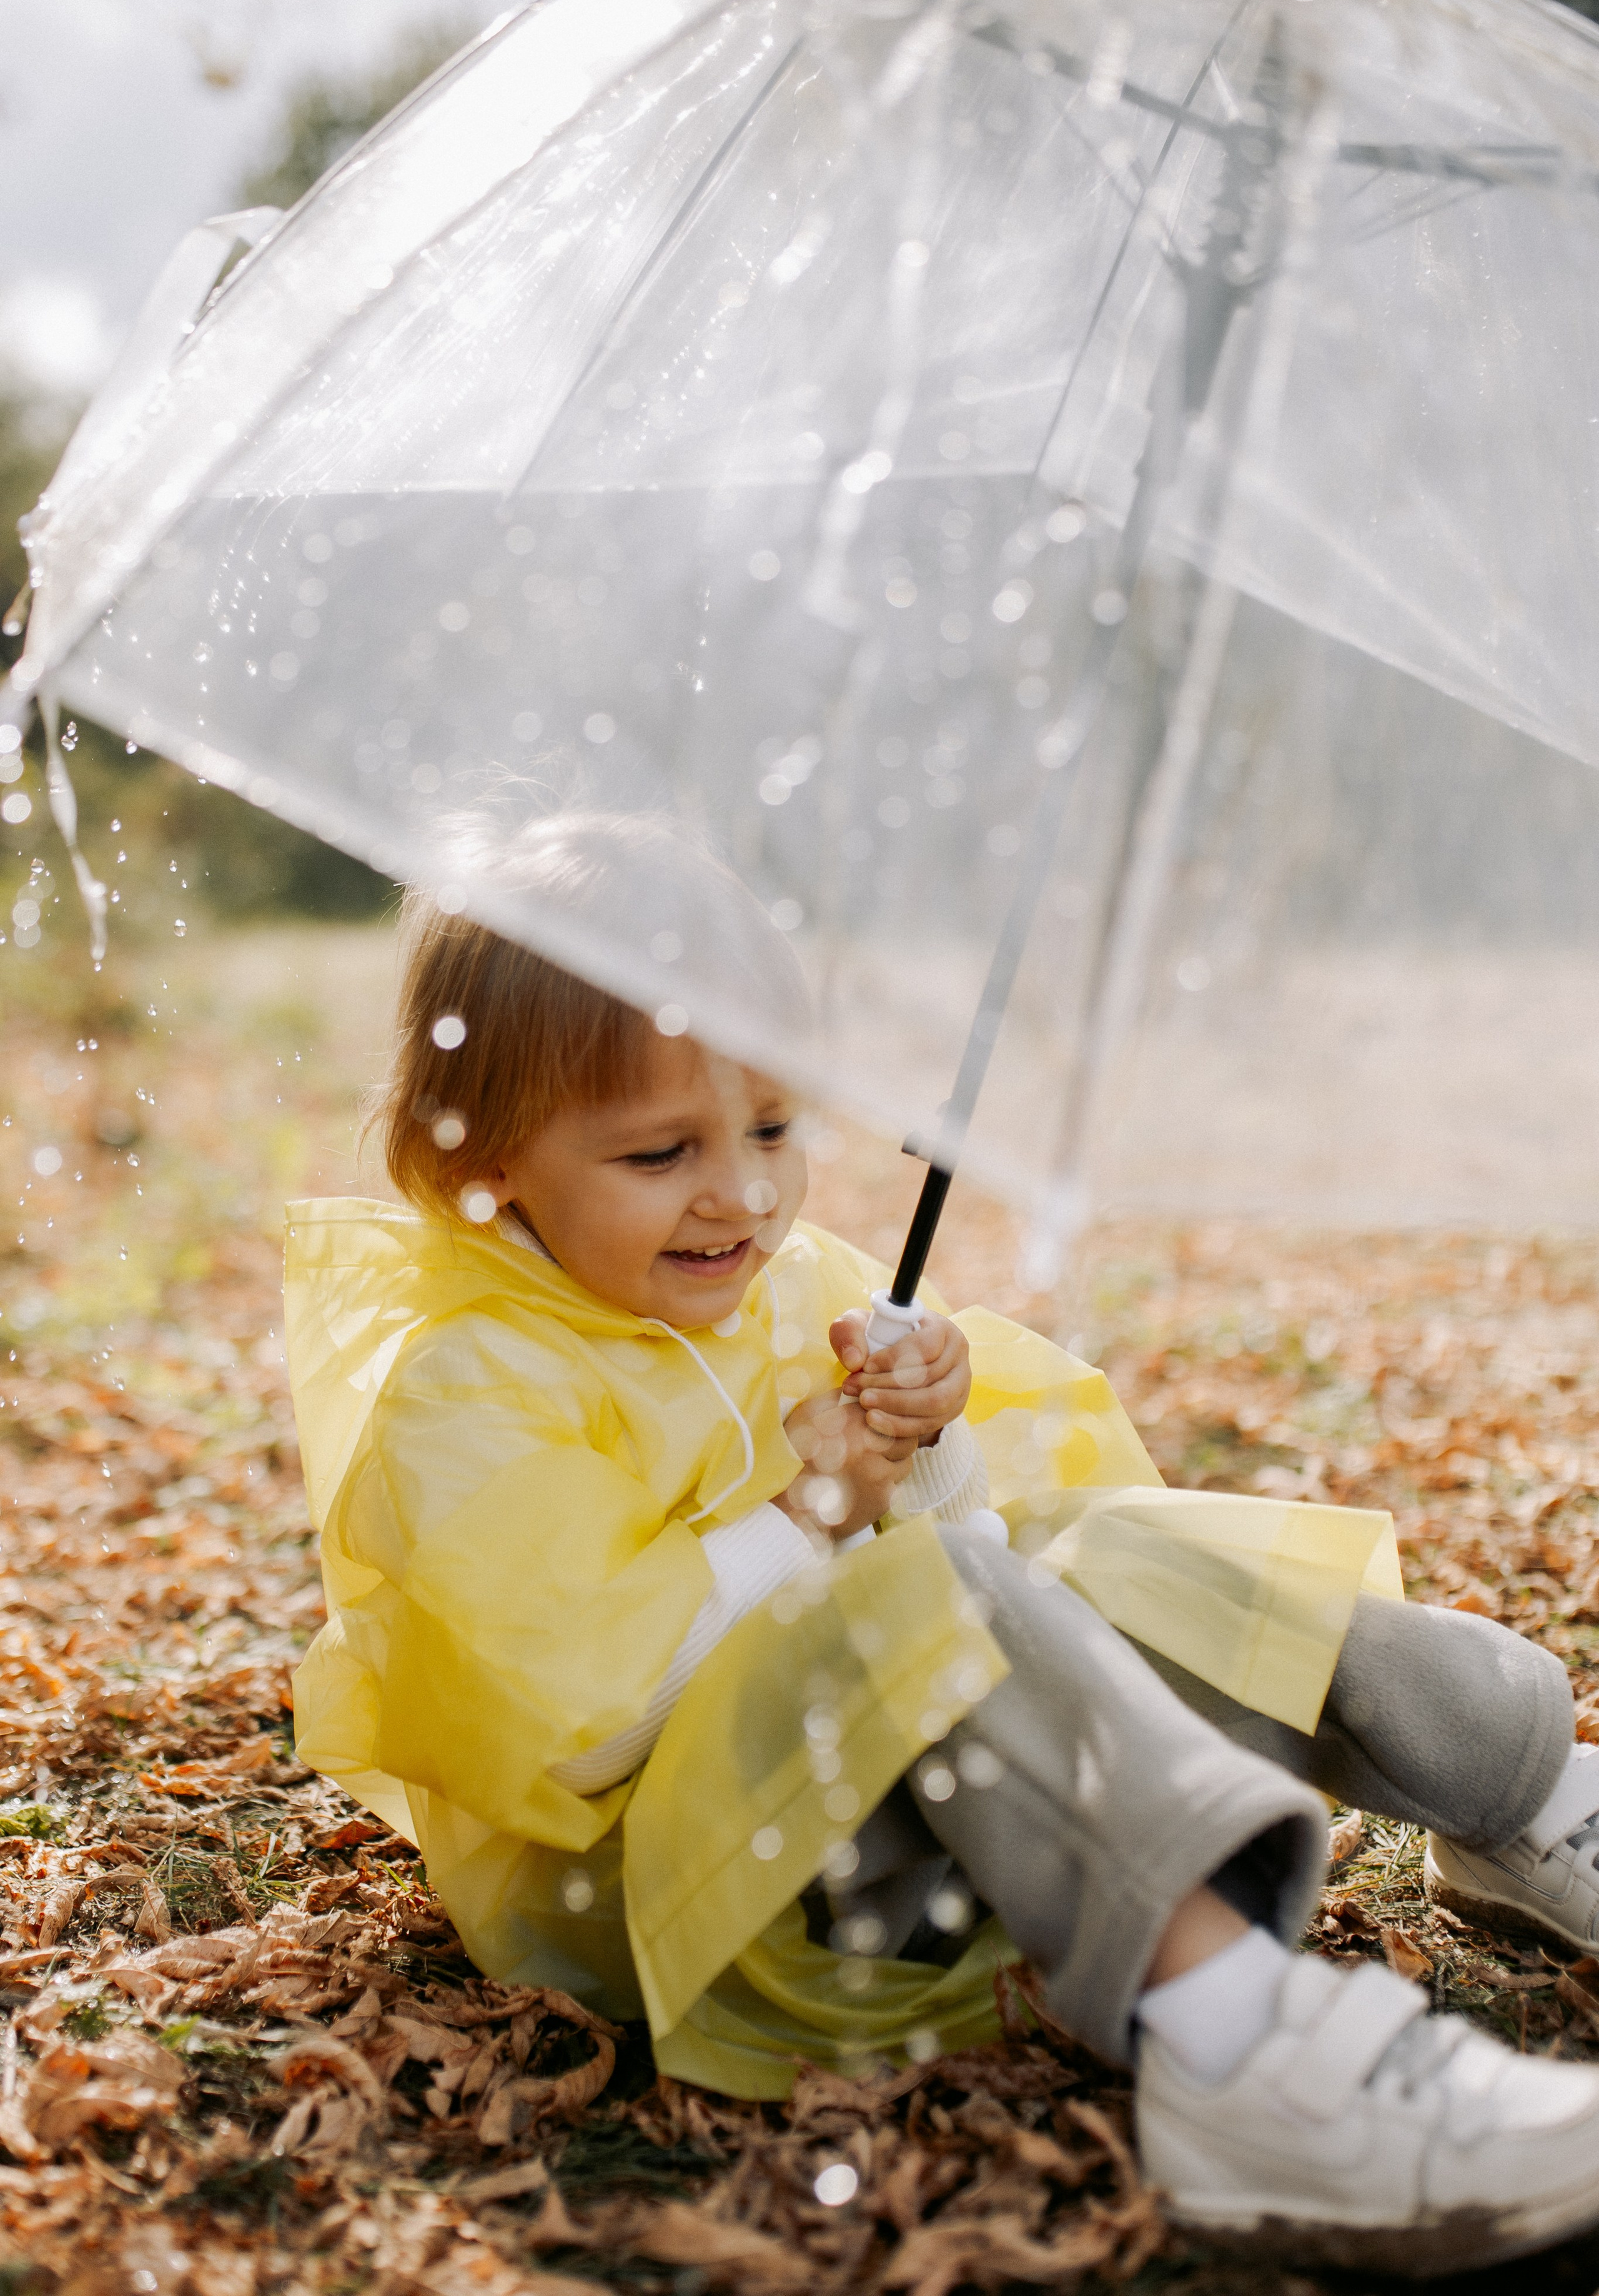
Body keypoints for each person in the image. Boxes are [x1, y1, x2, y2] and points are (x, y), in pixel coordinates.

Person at [286, 812, 1599, 2274]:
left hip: (904, 1810)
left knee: (1099, 1543)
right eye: (663, 1152)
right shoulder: (468, 1386)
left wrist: (930, 1442)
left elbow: (1000, 1572)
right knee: (947, 1585)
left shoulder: (788, 1290)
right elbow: (578, 1716)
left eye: (775, 1126)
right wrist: (813, 1516)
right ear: (479, 1159)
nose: (745, 1195)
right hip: (678, 1896)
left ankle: (1518, 1790)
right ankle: (1241, 2051)